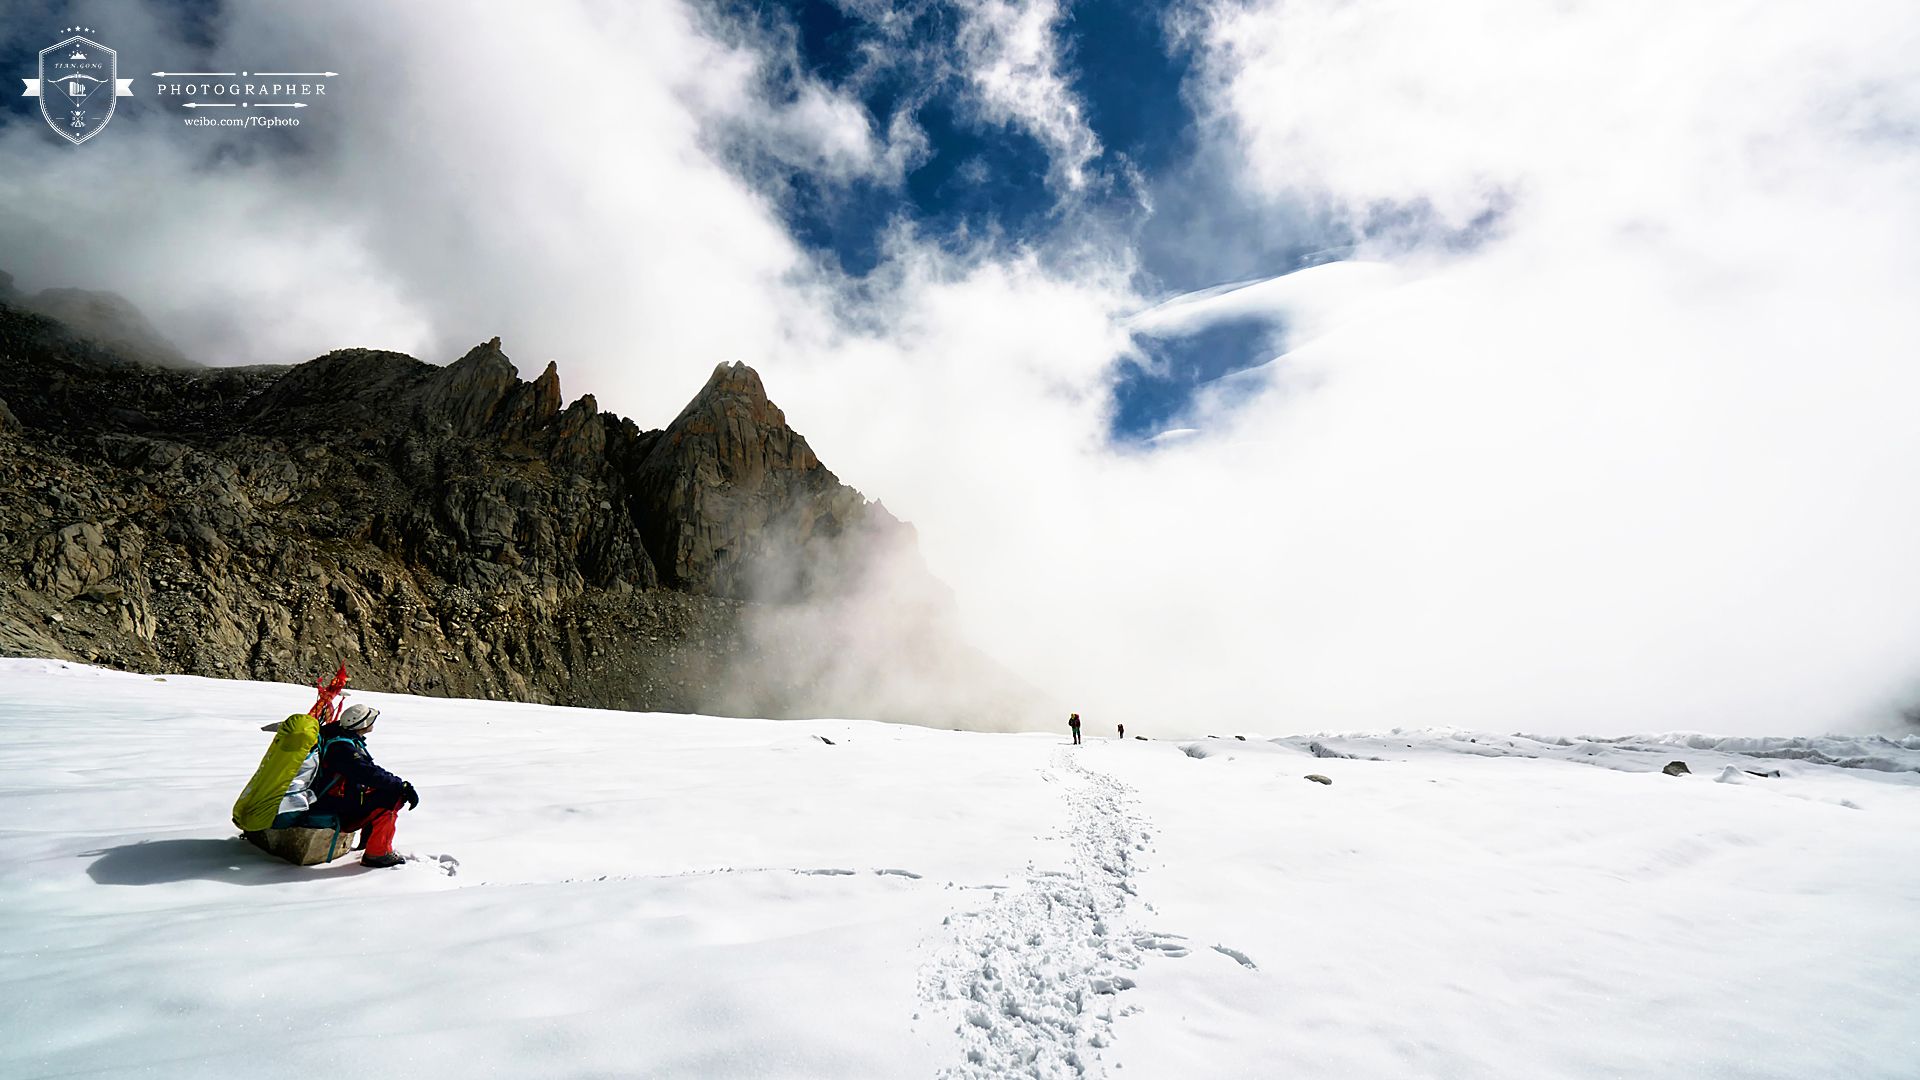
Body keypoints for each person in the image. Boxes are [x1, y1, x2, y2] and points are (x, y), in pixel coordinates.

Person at [311, 703, 418, 869]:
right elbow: (367, 773)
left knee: (384, 790)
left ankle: (368, 842)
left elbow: (368, 770)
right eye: (370, 719)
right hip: (331, 806)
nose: (372, 722)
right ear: (360, 724)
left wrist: (398, 783)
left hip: (329, 799)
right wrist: (401, 787)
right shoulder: (342, 748)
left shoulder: (340, 738)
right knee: (392, 798)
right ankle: (378, 854)